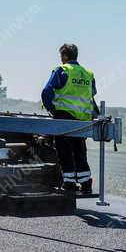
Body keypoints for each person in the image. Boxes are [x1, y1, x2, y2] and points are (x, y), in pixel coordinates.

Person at [42, 43, 98, 194]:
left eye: (61, 56)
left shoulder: (63, 70)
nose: (61, 59)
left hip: (64, 117)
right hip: (82, 120)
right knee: (79, 150)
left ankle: (69, 184)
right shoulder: (88, 73)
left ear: (65, 56)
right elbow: (91, 94)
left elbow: (47, 91)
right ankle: (86, 184)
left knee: (64, 150)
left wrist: (51, 108)